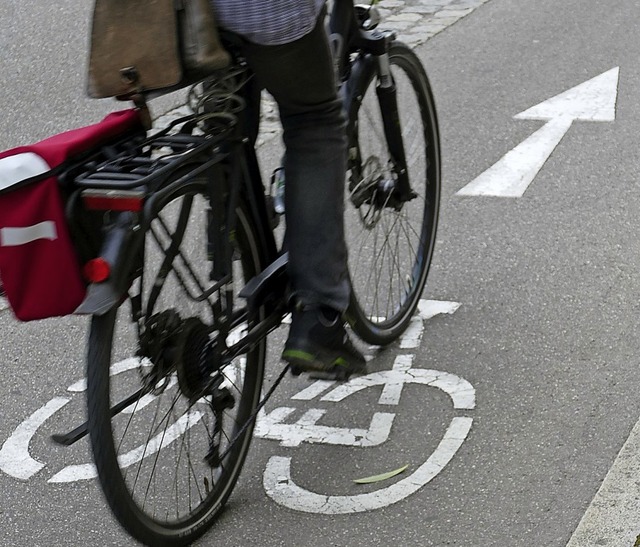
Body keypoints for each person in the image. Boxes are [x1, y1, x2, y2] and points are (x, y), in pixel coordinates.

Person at [209, 0, 366, 378]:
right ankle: (319, 320)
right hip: (264, 11)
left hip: (188, 16)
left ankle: (233, 232)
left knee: (225, 126)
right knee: (315, 120)